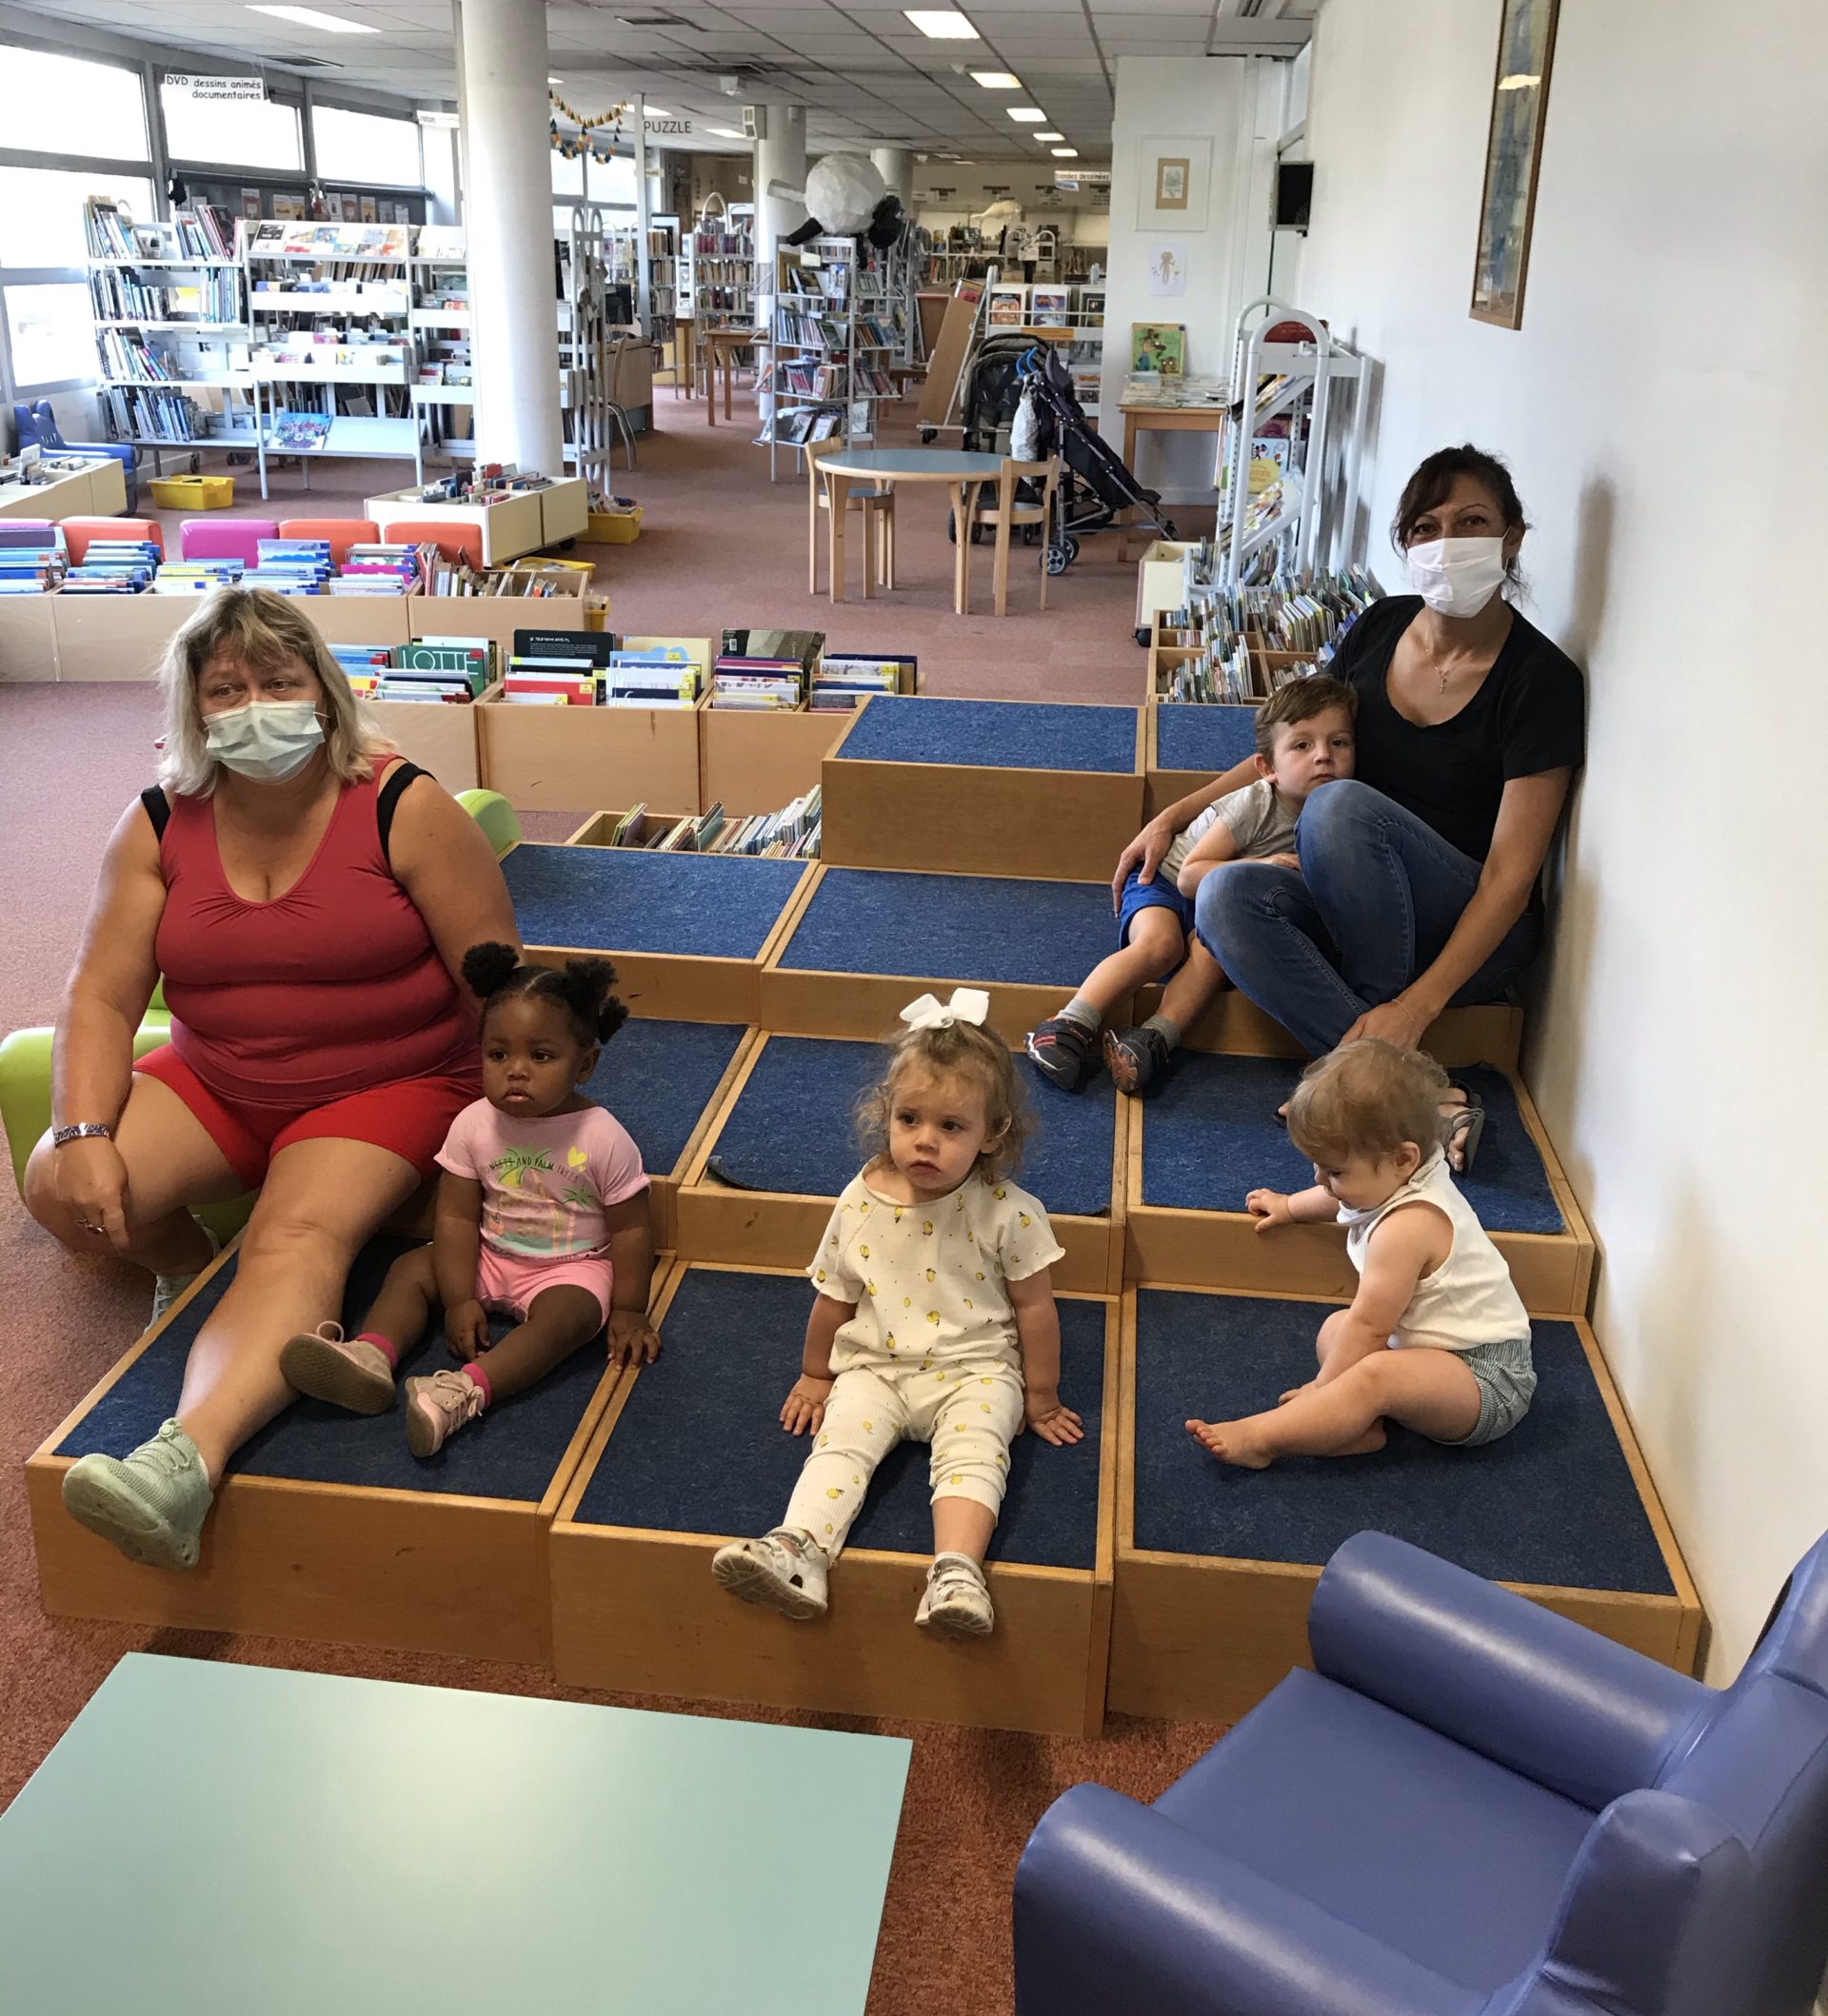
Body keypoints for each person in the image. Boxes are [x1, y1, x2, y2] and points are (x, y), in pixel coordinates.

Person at [33, 584, 518, 1569]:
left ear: (324, 693)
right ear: (194, 709)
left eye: (279, 682)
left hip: (389, 1082)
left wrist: (510, 1131)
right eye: (227, 689)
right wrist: (83, 1134)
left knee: (295, 1234)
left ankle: (183, 1466)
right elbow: (101, 996)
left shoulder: (404, 805)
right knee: (55, 1180)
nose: (255, 706)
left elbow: (499, 982)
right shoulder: (158, 820)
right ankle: (185, 1265)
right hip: (217, 1076)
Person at [1113, 446, 1585, 1062]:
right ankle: (1384, 1075)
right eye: (1427, 528)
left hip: (1466, 930)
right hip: (1352, 905)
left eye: (1472, 522)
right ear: (1406, 545)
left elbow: (1509, 878)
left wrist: (1413, 1010)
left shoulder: (1542, 681)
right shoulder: (1381, 624)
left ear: (1512, 537)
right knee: (1224, 894)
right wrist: (1173, 816)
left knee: (1337, 808)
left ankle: (1364, 1053)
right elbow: (1289, 751)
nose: (1447, 544)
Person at [711, 990, 1082, 1640]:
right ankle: (798, 1550)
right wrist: (815, 1374)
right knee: (840, 1446)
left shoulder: (1010, 1212)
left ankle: (956, 1572)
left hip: (974, 1370)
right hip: (875, 1367)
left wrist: (1041, 1395)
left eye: (951, 1127)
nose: (925, 1141)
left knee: (975, 1454)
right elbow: (835, 1294)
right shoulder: (861, 1199)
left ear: (993, 1133)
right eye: (909, 1119)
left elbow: (1035, 1308)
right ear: (885, 1113)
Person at [277, 945, 659, 1458]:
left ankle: (464, 1391)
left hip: (570, 1267)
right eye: (498, 1055)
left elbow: (631, 1228)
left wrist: (630, 1308)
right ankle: (371, 1354)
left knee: (567, 1318)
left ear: (585, 1063)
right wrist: (459, 1298)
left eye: (540, 1056)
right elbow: (456, 1215)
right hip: (489, 1253)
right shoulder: (473, 1123)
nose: (516, 1070)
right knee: (412, 1268)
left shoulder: (603, 1136)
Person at [1186, 1040, 1534, 1468]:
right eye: (1318, 1166)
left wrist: (1322, 1391)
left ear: (1403, 1159)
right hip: (1424, 1351)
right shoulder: (1399, 1174)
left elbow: (1371, 1326)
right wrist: (1290, 1206)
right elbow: (1344, 1198)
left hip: (1486, 1380)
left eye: (1334, 1170)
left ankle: (1263, 1438)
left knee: (1372, 1370)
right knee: (1336, 1329)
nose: (1321, 1179)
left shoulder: (1408, 1227)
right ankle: (1360, 1426)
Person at [1027, 676, 1357, 1096]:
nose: (1324, 756)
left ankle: (1154, 1039)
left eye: (1339, 743)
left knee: (1214, 953)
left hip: (1223, 906)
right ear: (1267, 768)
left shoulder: (1342, 814)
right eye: (1302, 745)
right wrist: (1262, 865)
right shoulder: (1255, 803)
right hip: (1166, 882)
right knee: (1161, 946)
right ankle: (1067, 1025)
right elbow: (1190, 875)